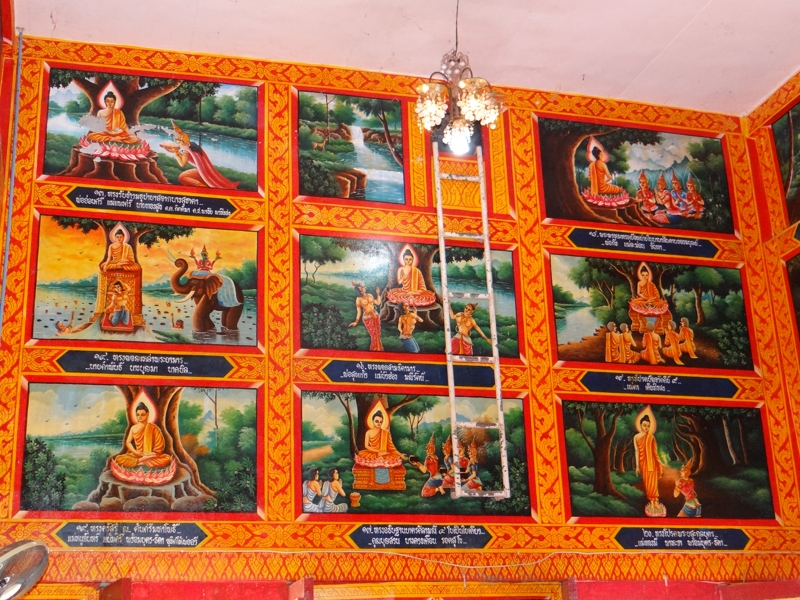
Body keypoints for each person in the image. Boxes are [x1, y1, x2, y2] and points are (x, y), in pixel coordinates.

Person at [160, 121, 239, 189]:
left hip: (203, 172)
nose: (177, 142)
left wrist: (175, 152)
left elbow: (182, 164)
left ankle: (202, 188)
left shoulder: (186, 149)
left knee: (182, 177)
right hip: (204, 171)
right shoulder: (192, 145)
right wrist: (176, 150)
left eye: (178, 141)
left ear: (181, 141)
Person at [114, 402, 172, 468]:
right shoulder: (133, 428)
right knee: (119, 458)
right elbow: (128, 442)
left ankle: (139, 462)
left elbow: (159, 446)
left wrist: (151, 454)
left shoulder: (154, 428)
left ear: (147, 414)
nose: (140, 417)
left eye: (142, 415)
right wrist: (137, 452)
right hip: (138, 455)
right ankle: (141, 460)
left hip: (150, 455)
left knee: (167, 458)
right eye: (138, 415)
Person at [634, 413, 664, 517]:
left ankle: (655, 502)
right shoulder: (636, 437)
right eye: (644, 425)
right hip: (643, 463)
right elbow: (637, 451)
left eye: (648, 426)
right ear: (640, 425)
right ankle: (651, 502)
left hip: (652, 463)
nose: (646, 428)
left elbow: (655, 452)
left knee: (653, 483)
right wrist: (637, 466)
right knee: (647, 483)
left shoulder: (651, 437)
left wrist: (659, 464)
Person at [349, 281, 383, 351]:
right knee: (373, 335)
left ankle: (379, 350)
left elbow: (378, 303)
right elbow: (359, 312)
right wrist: (356, 321)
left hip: (375, 315)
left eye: (363, 287)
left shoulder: (370, 295)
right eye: (361, 288)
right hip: (367, 318)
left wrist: (378, 293)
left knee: (377, 334)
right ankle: (374, 350)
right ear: (359, 290)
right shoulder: (358, 299)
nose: (363, 288)